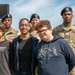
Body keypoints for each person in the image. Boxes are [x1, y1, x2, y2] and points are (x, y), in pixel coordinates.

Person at [52, 7, 75, 75]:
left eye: (69, 14)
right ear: (62, 16)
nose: (67, 16)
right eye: (65, 14)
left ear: (72, 16)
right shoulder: (56, 30)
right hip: (61, 61)